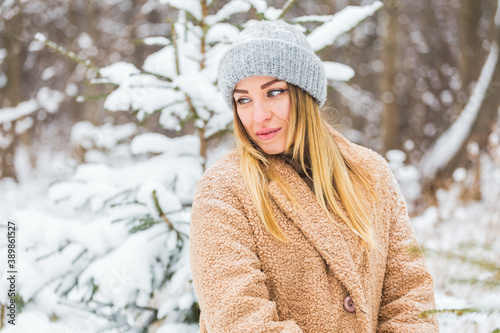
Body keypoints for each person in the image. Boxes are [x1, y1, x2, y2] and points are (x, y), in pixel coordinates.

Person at [189, 20, 439, 333]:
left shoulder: (370, 173)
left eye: (275, 92)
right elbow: (239, 318)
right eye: (244, 99)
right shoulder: (224, 189)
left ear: (305, 92)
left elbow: (410, 293)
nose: (259, 115)